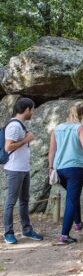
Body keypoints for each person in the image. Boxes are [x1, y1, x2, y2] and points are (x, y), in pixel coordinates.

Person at [48, 103, 83, 244]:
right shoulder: (80, 128)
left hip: (59, 169)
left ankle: (78, 223)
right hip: (75, 168)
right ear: (82, 115)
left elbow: (51, 151)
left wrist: (50, 167)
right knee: (71, 200)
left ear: (68, 114)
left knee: (72, 197)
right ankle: (64, 236)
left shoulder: (57, 129)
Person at [3, 97, 43, 244]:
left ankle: (27, 230)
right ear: (27, 110)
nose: (33, 112)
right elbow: (8, 147)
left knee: (24, 201)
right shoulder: (14, 126)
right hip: (14, 169)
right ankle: (8, 233)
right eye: (32, 109)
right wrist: (27, 140)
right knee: (11, 201)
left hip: (23, 168)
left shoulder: (20, 125)